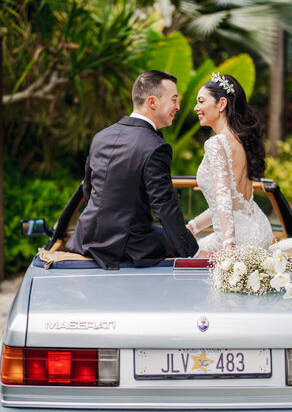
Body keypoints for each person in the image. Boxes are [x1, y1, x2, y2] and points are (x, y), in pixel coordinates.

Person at [66, 70, 202, 268]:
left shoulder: (101, 137)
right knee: (181, 243)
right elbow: (164, 206)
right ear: (152, 102)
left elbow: (88, 190)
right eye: (174, 100)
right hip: (130, 247)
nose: (178, 106)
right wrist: (194, 252)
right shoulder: (156, 146)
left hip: (85, 239)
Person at [187, 73, 273, 253]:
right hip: (260, 231)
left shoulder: (216, 144)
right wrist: (192, 227)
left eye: (201, 101)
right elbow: (232, 204)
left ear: (221, 104)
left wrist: (229, 248)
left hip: (237, 239)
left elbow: (224, 200)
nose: (196, 107)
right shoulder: (242, 140)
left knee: (184, 259)